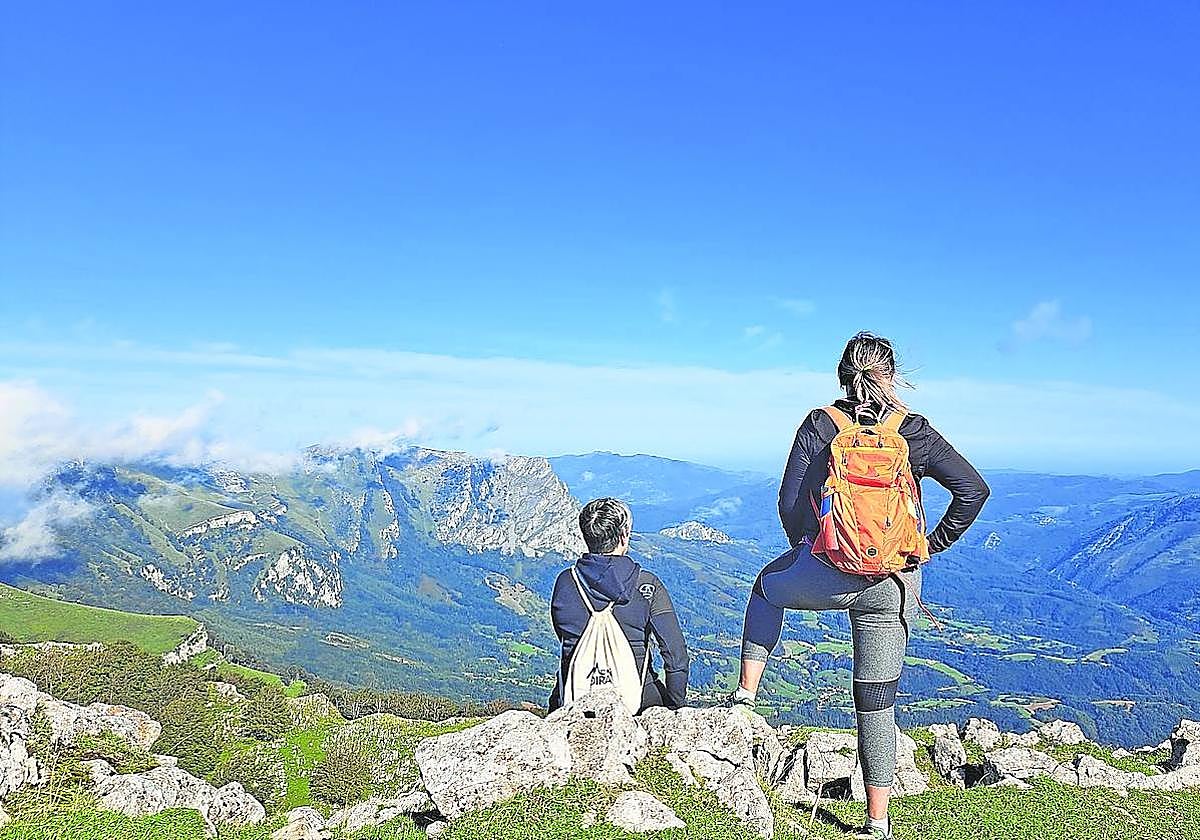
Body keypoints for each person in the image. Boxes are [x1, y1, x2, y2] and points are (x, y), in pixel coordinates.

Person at [730, 332, 989, 840]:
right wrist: (929, 545)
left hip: (828, 571)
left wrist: (811, 547)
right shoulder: (914, 431)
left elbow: (789, 501)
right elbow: (973, 490)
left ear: (842, 375)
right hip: (894, 581)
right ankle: (877, 822)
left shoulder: (821, 425)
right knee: (876, 699)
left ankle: (745, 698)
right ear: (890, 375)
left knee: (765, 588)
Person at [548, 497, 690, 712]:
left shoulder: (566, 582)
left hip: (574, 697)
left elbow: (563, 635)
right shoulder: (647, 585)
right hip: (639, 701)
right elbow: (676, 656)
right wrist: (674, 708)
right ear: (624, 536)